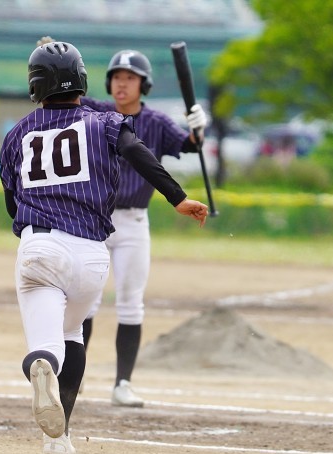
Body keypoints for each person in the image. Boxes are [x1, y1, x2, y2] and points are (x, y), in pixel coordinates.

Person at [0, 40, 208, 454]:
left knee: (47, 346)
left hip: (41, 244)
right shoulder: (105, 122)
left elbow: (10, 197)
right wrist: (179, 198)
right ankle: (59, 439)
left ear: (35, 86)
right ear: (84, 80)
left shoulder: (18, 132)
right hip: (93, 253)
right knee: (74, 333)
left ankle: (41, 366)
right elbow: (139, 153)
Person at [79, 49, 207, 408]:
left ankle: (123, 383)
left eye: (130, 78)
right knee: (85, 301)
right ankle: (77, 373)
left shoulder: (157, 123)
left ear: (143, 84)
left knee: (131, 304)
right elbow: (62, 101)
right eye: (117, 77)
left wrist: (199, 127)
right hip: (95, 219)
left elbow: (190, 145)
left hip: (134, 221)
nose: (122, 83)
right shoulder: (96, 111)